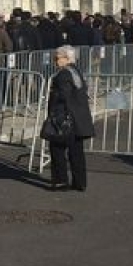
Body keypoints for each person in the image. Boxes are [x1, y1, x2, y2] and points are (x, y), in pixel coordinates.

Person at [46, 45, 94, 191]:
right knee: (76, 151)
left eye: (57, 57)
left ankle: (61, 181)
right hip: (78, 117)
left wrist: (54, 114)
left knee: (57, 148)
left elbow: (62, 97)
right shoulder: (76, 71)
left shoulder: (63, 75)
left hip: (65, 117)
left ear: (66, 58)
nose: (55, 60)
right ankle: (80, 182)